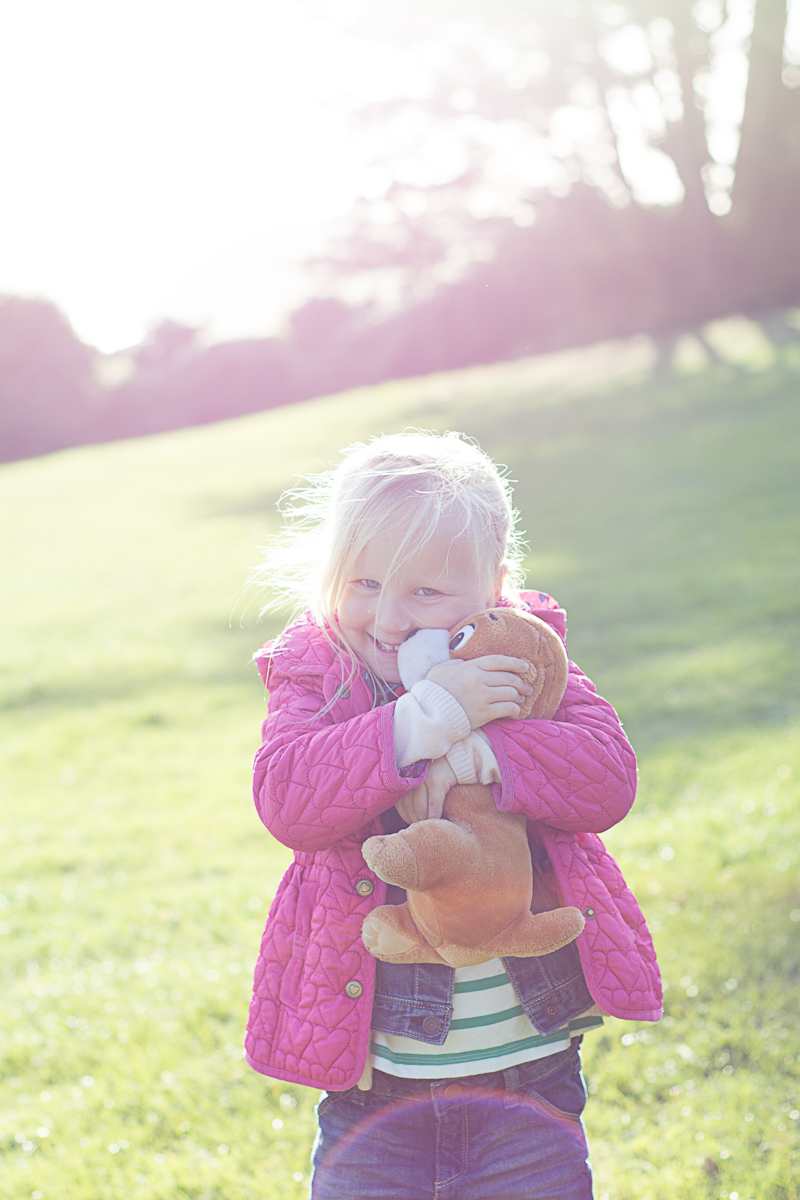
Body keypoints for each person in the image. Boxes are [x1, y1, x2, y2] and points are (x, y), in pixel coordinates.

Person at [245, 430, 661, 1200]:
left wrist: (487, 749)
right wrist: (426, 719)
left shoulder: (526, 663)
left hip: (527, 1083)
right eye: (364, 583)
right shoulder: (317, 673)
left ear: (495, 587)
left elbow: (607, 781)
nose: (392, 619)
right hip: (376, 1095)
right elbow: (290, 801)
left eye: (427, 592)